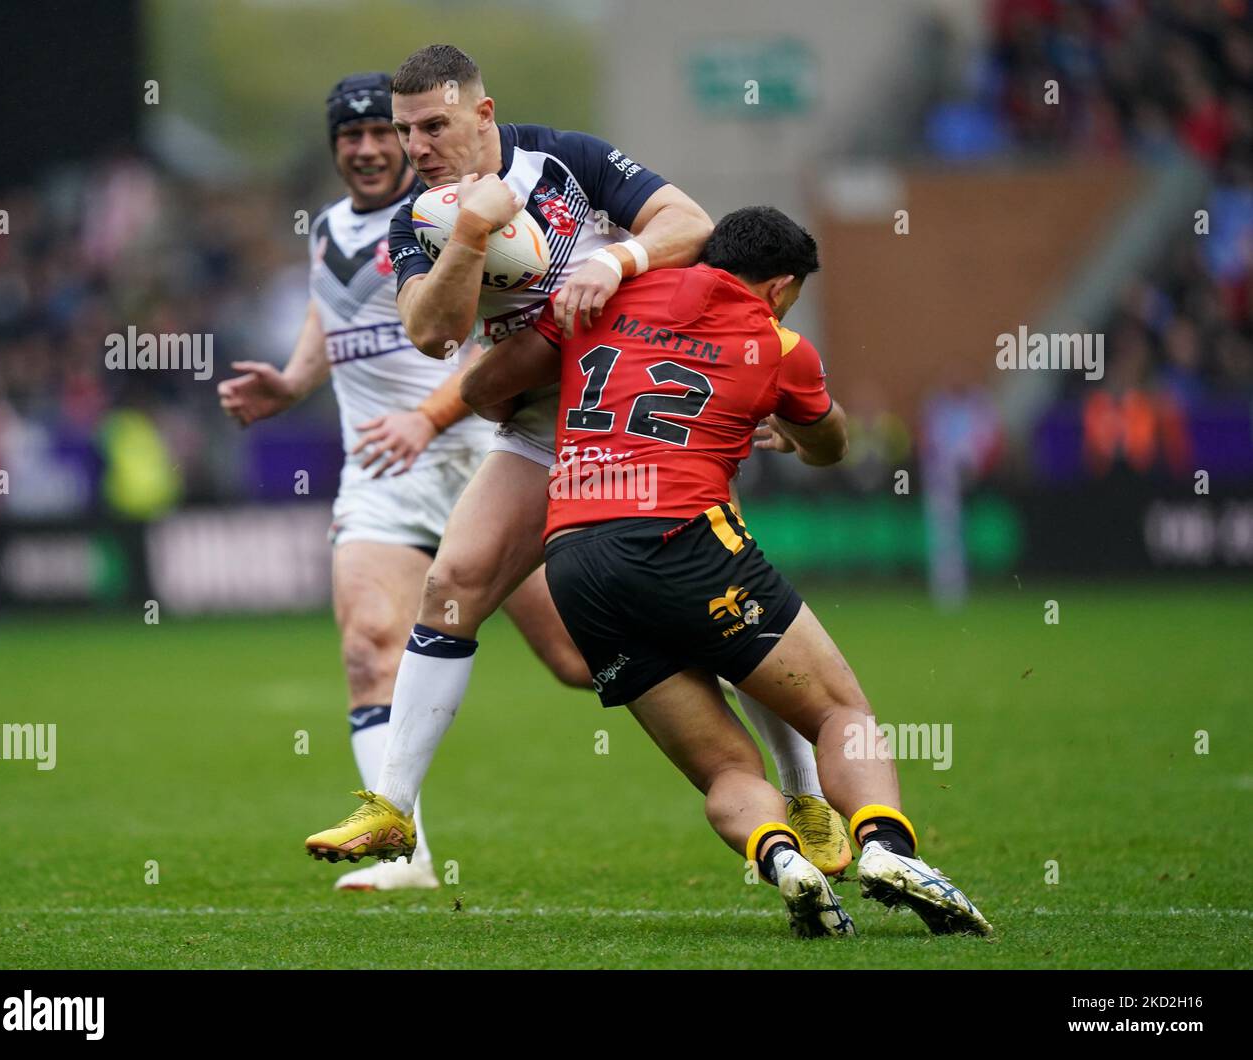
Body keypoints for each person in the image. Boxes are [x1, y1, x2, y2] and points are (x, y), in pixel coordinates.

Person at [303, 46, 852, 878]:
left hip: (643, 424)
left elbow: (689, 223)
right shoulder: (419, 219)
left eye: (433, 125)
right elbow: (431, 331)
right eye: (405, 129)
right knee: (455, 584)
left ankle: (805, 796)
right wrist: (472, 234)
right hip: (534, 428)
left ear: (482, 115)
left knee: (715, 618)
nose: (416, 145)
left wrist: (613, 259)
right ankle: (394, 813)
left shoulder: (569, 158)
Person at [457, 205, 993, 937]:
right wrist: (791, 429)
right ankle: (887, 849)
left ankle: (783, 862)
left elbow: (482, 390)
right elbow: (831, 446)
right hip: (681, 539)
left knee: (724, 770)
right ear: (780, 287)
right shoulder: (779, 343)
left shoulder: (601, 296)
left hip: (575, 558)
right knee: (841, 712)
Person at [219, 72, 590, 891]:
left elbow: (483, 335)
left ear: (411, 140)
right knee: (365, 650)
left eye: (382, 134)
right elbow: (331, 314)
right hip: (380, 474)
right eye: (349, 137)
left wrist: (437, 411)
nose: (368, 148)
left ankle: (746, 720)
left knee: (577, 657)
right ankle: (406, 853)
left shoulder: (455, 216)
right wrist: (290, 381)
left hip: (477, 458)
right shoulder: (325, 231)